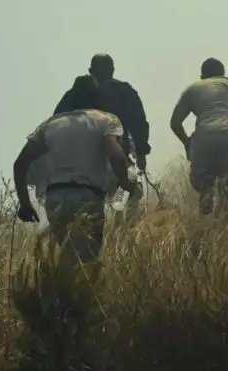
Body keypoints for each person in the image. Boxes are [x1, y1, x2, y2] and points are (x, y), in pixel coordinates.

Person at [13, 75, 140, 271]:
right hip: (87, 198)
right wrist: (126, 183)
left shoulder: (51, 124)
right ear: (98, 98)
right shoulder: (106, 120)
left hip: (55, 199)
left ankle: (58, 293)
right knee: (87, 262)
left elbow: (20, 163)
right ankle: (76, 297)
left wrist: (24, 203)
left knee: (68, 253)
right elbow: (116, 155)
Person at [170, 58, 228, 214]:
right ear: (223, 73)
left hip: (205, 137)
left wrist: (187, 143)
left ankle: (206, 187)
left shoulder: (192, 89)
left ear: (202, 76)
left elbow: (175, 123)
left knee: (199, 180)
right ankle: (224, 224)